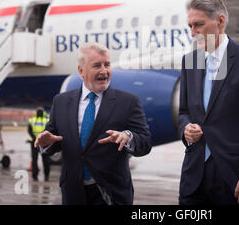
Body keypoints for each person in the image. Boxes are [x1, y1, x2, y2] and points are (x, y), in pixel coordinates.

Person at [34, 42, 152, 205]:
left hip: (111, 194)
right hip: (73, 193)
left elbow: (145, 143)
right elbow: (54, 140)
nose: (104, 71)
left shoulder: (128, 102)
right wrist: (45, 144)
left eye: (107, 65)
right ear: (81, 71)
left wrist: (128, 137)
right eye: (97, 65)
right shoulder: (61, 102)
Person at [178, 0, 239, 205]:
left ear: (220, 21)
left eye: (198, 25)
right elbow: (183, 112)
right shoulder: (190, 61)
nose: (193, 33)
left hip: (235, 177)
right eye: (190, 26)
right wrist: (186, 128)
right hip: (194, 175)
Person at [28, 107, 50, 181]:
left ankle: (35, 176)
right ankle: (46, 176)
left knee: (35, 159)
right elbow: (49, 130)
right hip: (44, 142)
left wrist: (35, 138)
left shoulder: (32, 120)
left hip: (35, 142)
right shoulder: (47, 120)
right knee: (45, 160)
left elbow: (29, 131)